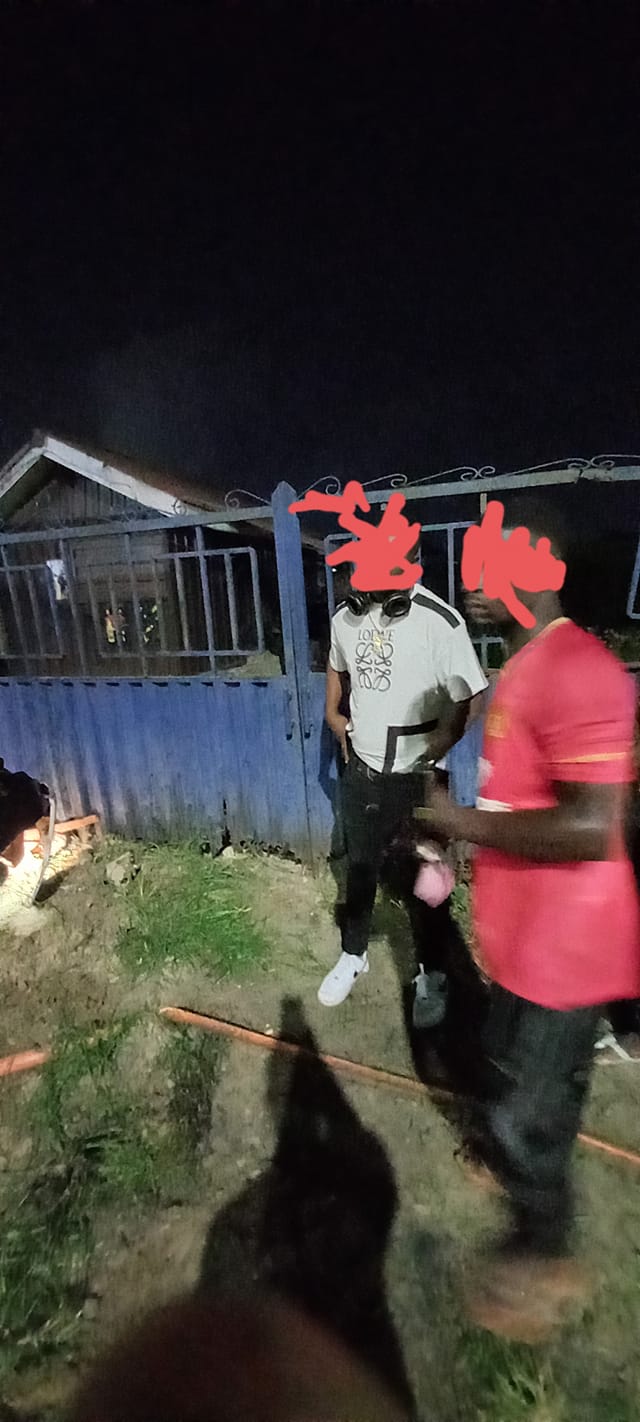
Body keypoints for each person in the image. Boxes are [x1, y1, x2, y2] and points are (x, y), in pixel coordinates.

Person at [418, 500, 640, 1340]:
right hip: (526, 939)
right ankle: (519, 1161)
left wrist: (458, 822)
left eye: (493, 567)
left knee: (524, 1113)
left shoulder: (580, 669)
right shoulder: (523, 667)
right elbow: (527, 798)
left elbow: (590, 827)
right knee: (518, 1067)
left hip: (567, 947)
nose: (473, 582)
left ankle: (543, 1254)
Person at [319, 541, 487, 1008]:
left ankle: (431, 973)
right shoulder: (346, 617)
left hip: (419, 781)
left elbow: (472, 698)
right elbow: (335, 665)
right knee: (359, 868)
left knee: (426, 885)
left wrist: (439, 747)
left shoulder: (441, 622)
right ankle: (354, 954)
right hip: (363, 773)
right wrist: (333, 714)